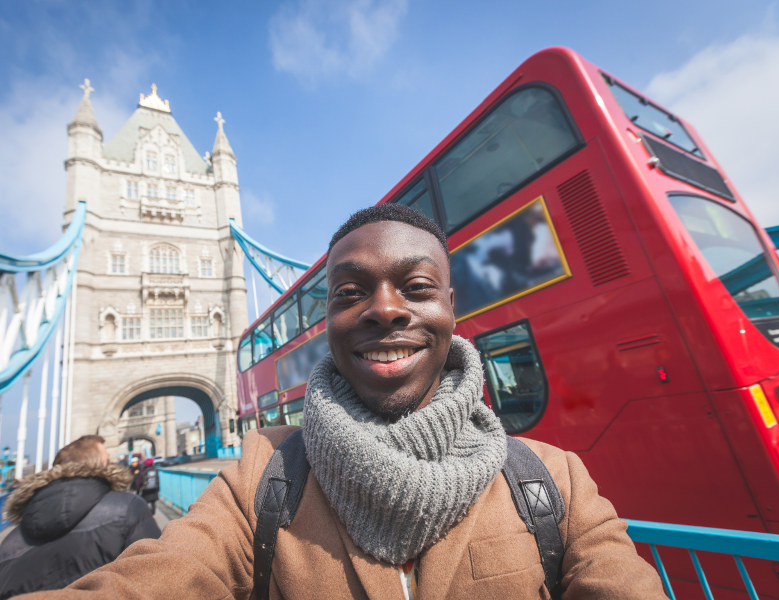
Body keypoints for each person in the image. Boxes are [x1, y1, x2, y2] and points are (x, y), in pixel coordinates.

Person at [18, 205, 667, 598]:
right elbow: (163, 576)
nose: (384, 309)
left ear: (450, 308)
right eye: (350, 292)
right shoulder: (258, 482)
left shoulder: (553, 483)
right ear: (326, 320)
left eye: (415, 286)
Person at [0, 435, 160, 598]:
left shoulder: (8, 545)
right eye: (108, 461)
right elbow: (159, 576)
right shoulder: (127, 508)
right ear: (102, 467)